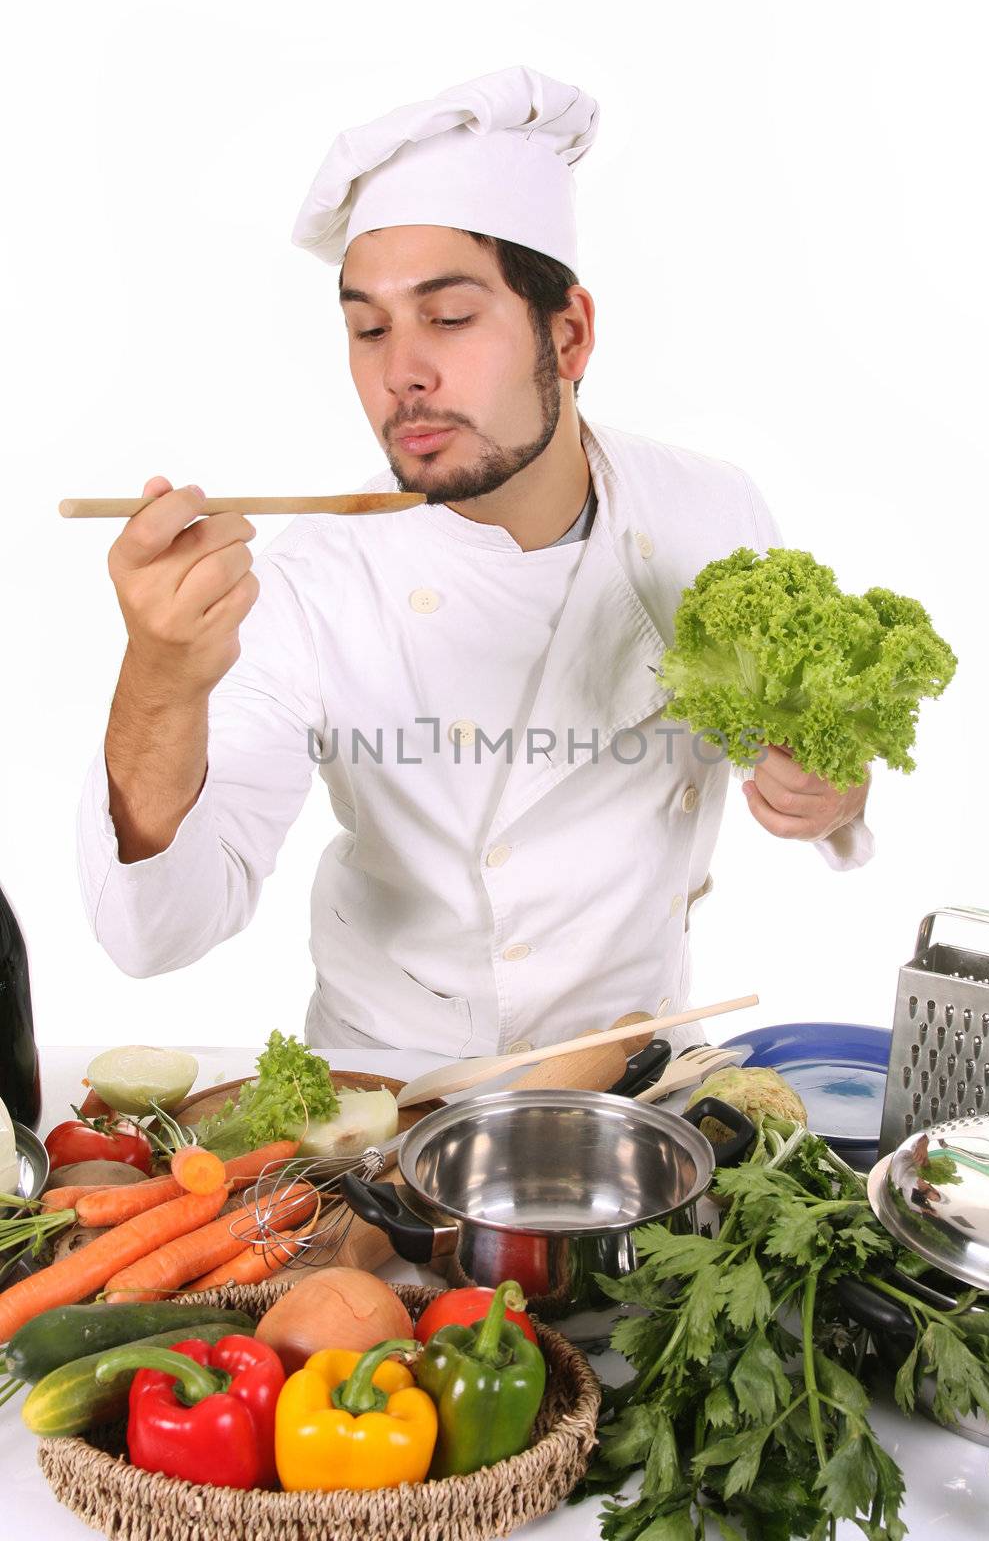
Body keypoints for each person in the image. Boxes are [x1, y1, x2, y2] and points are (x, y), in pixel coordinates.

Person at [76, 66, 873, 1059]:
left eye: (448, 318)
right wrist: (159, 679)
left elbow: (801, 744)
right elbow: (157, 931)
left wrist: (830, 787)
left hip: (633, 1074)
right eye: (367, 328)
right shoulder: (309, 583)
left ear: (568, 332)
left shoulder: (710, 512)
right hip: (393, 1105)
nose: (399, 369)